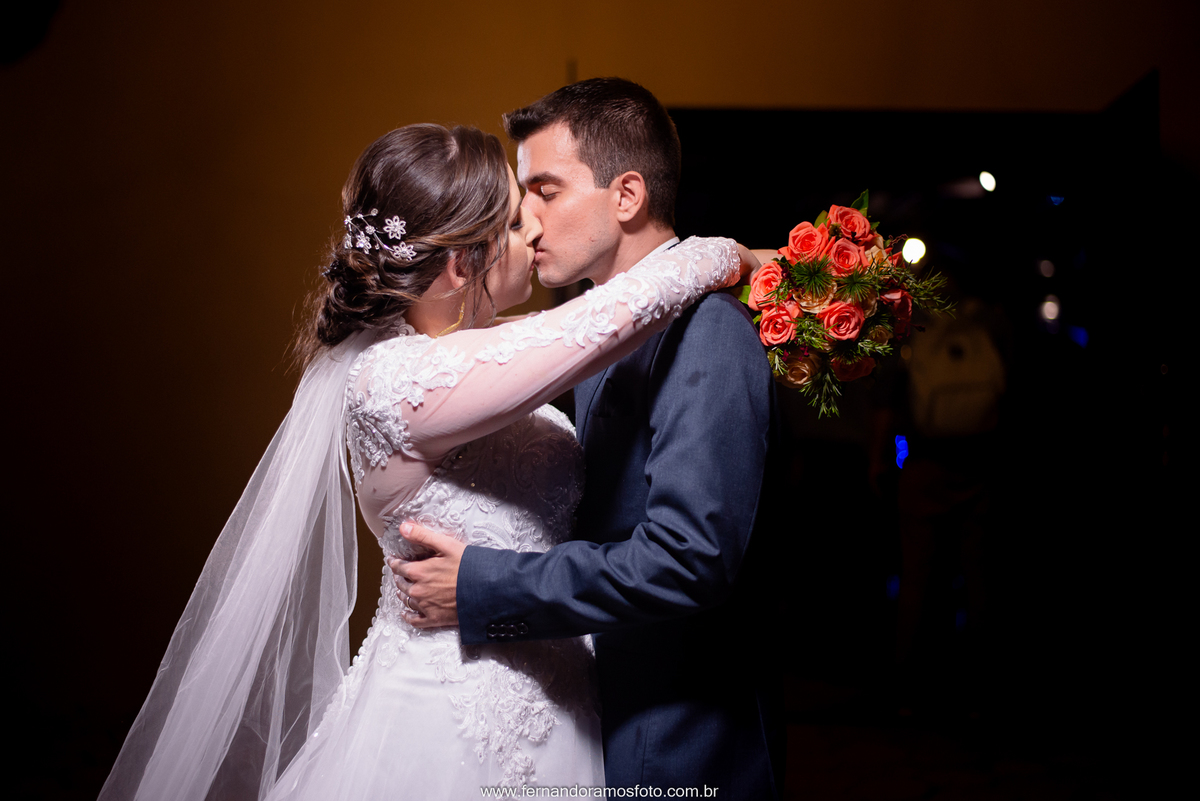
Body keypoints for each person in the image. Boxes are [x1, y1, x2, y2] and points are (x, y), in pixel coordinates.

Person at [99, 121, 755, 800]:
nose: (532, 231)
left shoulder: (481, 349)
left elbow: (570, 334)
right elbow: (602, 320)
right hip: (452, 712)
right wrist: (734, 256)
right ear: (460, 264)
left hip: (562, 695)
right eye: (510, 220)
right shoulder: (395, 381)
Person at [394, 79, 785, 799]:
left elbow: (689, 557)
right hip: (594, 712)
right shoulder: (589, 330)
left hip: (678, 736)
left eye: (545, 190)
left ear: (627, 196)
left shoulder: (707, 332)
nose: (528, 222)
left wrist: (486, 582)